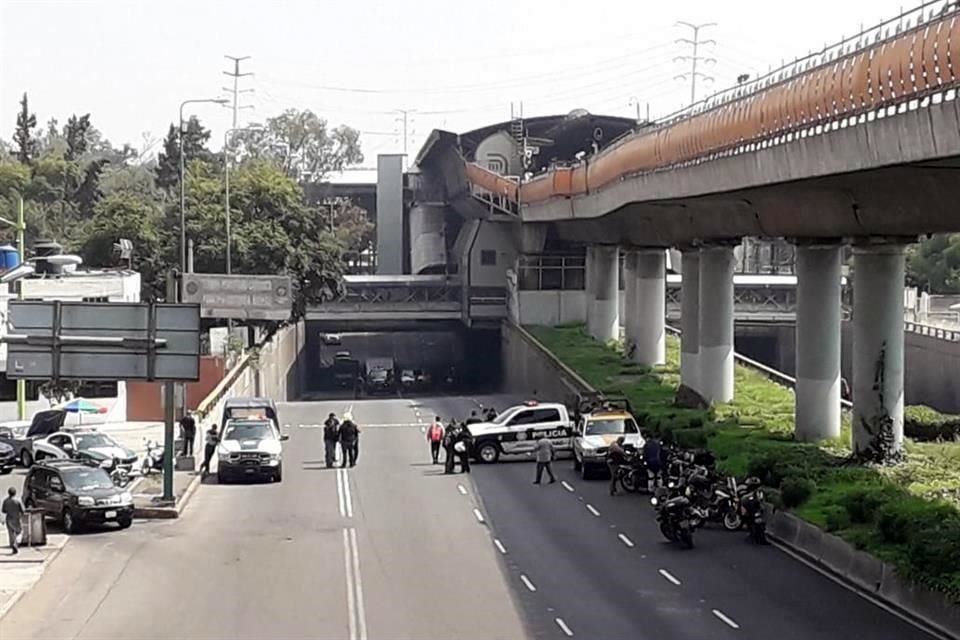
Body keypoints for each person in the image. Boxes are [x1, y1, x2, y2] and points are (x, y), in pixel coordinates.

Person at [2, 487, 24, 555]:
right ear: (15, 493)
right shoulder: (18, 501)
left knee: (11, 533)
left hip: (9, 518)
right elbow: (23, 510)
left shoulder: (5, 501)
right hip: (16, 518)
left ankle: (13, 545)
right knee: (19, 531)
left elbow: (3, 510)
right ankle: (15, 543)